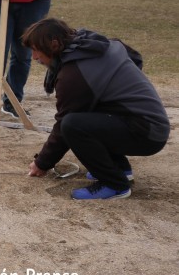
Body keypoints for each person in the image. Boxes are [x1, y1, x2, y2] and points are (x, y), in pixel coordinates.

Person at [23, 18, 169, 200]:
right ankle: (120, 169)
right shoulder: (94, 43)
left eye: (36, 50)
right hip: (150, 123)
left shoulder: (74, 74)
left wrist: (42, 163)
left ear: (54, 45)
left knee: (73, 125)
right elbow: (135, 58)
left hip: (147, 133)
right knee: (88, 112)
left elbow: (63, 127)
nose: (34, 57)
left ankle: (115, 184)